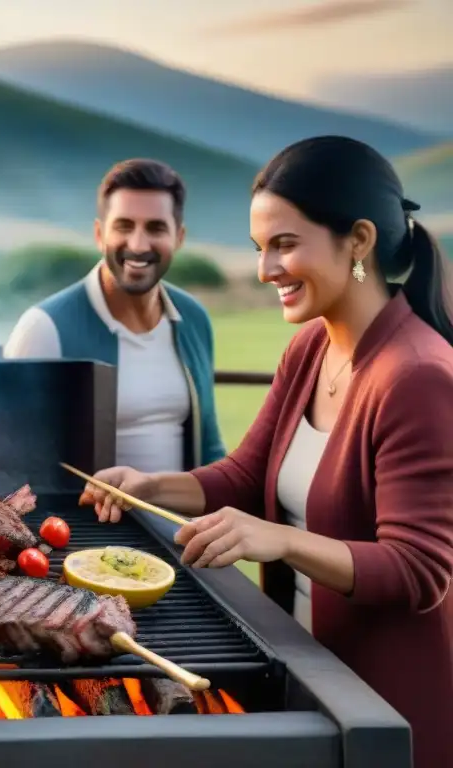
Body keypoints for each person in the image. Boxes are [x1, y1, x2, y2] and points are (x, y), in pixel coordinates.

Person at [81, 136, 453, 768]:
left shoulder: (417, 376)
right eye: (260, 249)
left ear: (358, 241)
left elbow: (419, 571)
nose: (264, 270)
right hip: (310, 676)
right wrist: (149, 485)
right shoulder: (311, 348)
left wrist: (277, 541)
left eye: (284, 244)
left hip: (387, 710)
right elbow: (249, 475)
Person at [4, 159, 226, 539]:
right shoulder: (44, 328)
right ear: (99, 234)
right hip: (86, 549)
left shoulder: (194, 319)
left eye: (156, 228)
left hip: (183, 543)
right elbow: (8, 471)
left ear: (180, 237)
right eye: (124, 226)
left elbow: (209, 447)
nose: (138, 244)